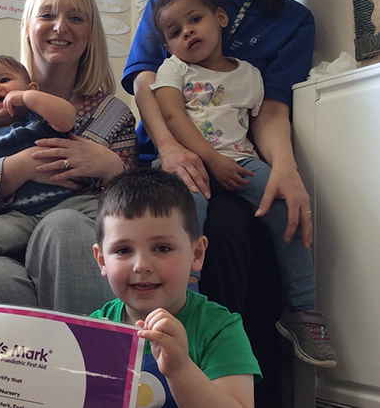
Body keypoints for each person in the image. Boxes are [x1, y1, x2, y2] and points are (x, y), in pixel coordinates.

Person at [122, 0, 315, 404]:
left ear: (219, 19)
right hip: (174, 155)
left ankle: (262, 361)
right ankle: (183, 329)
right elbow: (148, 86)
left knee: (258, 217)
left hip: (241, 156)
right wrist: (171, 149)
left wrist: (284, 168)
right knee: (208, 226)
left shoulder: (292, 20)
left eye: (197, 21)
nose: (187, 30)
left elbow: (271, 109)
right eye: (178, 29)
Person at [0, 0, 137, 315]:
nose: (60, 26)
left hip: (77, 250)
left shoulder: (113, 113)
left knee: (64, 224)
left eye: (76, 18)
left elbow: (132, 213)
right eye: (47, 15)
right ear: (27, 27)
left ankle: (88, 359)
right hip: (3, 244)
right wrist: (22, 165)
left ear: (90, 33)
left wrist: (110, 166)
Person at [91, 167, 261, 408]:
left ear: (197, 254)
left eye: (162, 248)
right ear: (102, 260)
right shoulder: (94, 330)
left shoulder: (219, 329)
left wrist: (181, 370)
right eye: (123, 250)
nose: (141, 265)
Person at [0, 54, 83, 262]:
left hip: (71, 203)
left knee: (111, 216)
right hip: (19, 216)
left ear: (32, 90)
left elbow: (67, 119)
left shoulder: (41, 117)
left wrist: (27, 99)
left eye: (4, 80)